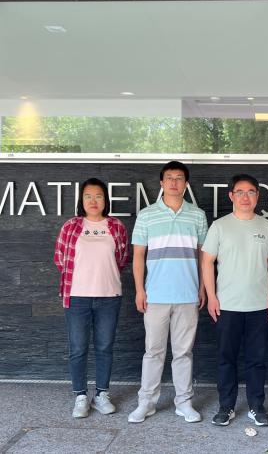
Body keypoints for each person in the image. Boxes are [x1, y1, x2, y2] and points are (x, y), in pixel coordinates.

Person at [127, 161, 208, 424]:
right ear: (161, 183)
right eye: (169, 178)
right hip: (155, 296)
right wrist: (139, 290)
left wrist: (202, 288)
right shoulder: (147, 215)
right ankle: (146, 402)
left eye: (179, 177)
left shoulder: (197, 215)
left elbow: (204, 256)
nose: (174, 182)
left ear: (186, 183)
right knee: (153, 351)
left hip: (187, 294)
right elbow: (138, 256)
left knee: (184, 353)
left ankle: (184, 402)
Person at [201, 174, 268, 427]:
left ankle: (257, 406)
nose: (245, 197)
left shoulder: (266, 227)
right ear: (231, 196)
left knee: (257, 360)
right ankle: (226, 407)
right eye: (240, 192)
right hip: (227, 305)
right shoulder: (220, 226)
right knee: (226, 359)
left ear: (257, 196)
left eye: (250, 192)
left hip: (259, 305)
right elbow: (207, 261)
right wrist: (212, 296)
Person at [54, 177, 129, 418]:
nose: (93, 201)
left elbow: (122, 258)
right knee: (78, 348)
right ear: (81, 200)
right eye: (88, 196)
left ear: (105, 200)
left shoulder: (116, 226)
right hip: (77, 297)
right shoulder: (71, 226)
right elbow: (60, 258)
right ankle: (80, 396)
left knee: (105, 347)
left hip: (109, 296)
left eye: (98, 196)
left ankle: (101, 394)